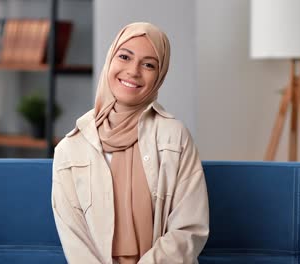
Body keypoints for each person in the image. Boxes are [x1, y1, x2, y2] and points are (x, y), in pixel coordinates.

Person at [51, 22, 209, 264]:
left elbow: (189, 229)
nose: (133, 71)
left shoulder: (174, 137)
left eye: (148, 64)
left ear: (160, 75)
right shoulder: (71, 148)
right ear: (110, 59)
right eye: (124, 57)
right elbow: (75, 240)